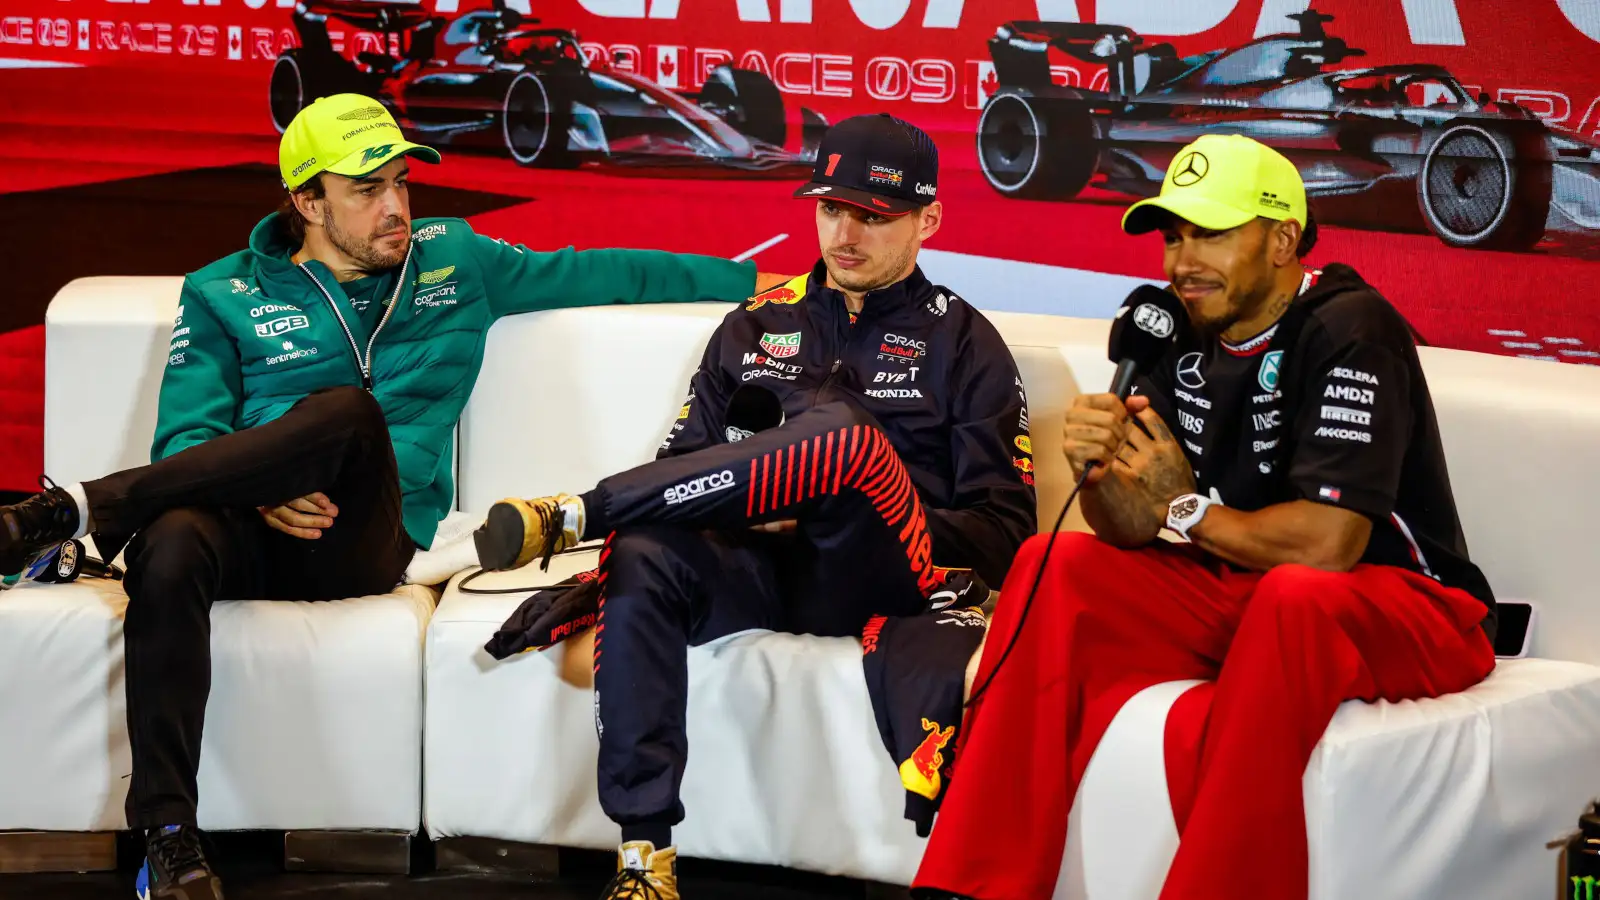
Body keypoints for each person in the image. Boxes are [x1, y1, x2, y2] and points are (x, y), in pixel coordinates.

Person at [0, 93, 786, 900]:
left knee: (349, 413)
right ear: (308, 201)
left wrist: (768, 283)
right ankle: (168, 835)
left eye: (402, 185)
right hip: (256, 528)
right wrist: (266, 496)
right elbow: (185, 446)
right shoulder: (220, 293)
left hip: (372, 538)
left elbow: (609, 271)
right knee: (167, 547)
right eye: (367, 191)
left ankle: (78, 509)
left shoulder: (457, 260)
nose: (395, 208)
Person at [911, 134, 1498, 900]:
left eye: (1213, 233)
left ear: (1284, 238)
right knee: (1055, 564)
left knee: (1293, 599)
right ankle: (973, 884)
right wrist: (1102, 468)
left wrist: (1179, 507)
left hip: (1405, 605)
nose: (1183, 260)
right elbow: (1126, 526)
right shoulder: (1168, 323)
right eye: (1174, 235)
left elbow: (1327, 547)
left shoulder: (1351, 327)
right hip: (1239, 588)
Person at [474, 113, 1037, 900]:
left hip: (882, 572)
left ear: (928, 220)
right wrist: (757, 500)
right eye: (831, 208)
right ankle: (644, 856)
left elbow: (1005, 531)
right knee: (642, 554)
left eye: (873, 217)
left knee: (842, 437)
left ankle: (575, 512)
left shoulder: (966, 343)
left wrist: (860, 500)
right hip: (762, 570)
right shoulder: (750, 327)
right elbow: (680, 473)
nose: (846, 233)